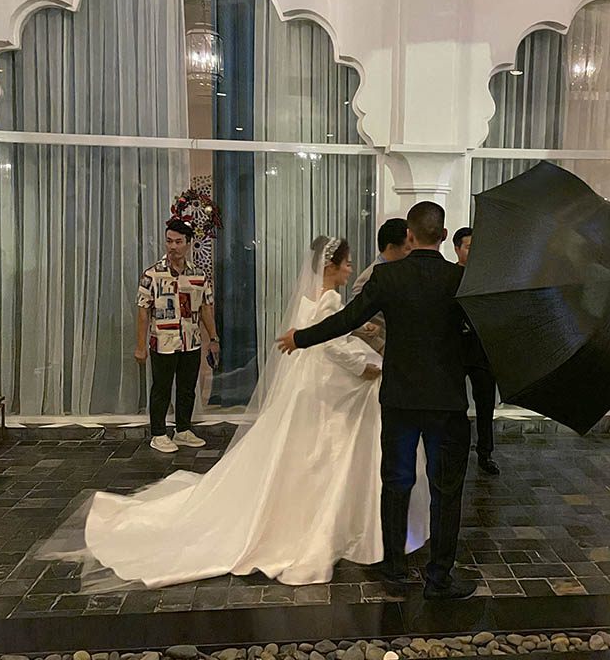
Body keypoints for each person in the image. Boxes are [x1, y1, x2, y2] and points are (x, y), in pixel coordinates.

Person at [64, 236, 429, 587]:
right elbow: (332, 345)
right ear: (331, 266)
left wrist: (357, 330)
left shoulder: (310, 296)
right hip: (325, 382)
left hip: (309, 379)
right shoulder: (331, 298)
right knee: (336, 439)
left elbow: (318, 331)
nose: (350, 269)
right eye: (347, 263)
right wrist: (366, 367)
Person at [279, 202, 476, 600]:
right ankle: (439, 578)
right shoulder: (461, 280)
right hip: (447, 400)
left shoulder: (388, 276)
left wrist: (301, 337)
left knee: (396, 483)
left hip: (400, 397)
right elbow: (477, 335)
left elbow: (347, 319)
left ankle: (395, 572)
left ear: (410, 235)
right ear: (443, 236)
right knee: (446, 490)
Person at [135, 218, 219, 453]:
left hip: (191, 341)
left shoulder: (199, 275)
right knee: (161, 388)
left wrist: (213, 338)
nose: (173, 247)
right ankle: (158, 433)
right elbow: (143, 312)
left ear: (188, 243)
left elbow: (206, 308)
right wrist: (140, 346)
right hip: (163, 340)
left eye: (178, 242)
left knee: (187, 387)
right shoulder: (152, 275)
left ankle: (183, 430)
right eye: (169, 241)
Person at [453, 227, 500, 475]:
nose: (474, 252)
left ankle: (485, 452)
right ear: (457, 248)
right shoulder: (450, 276)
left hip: (482, 351)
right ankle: (456, 448)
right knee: (455, 403)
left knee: (485, 403)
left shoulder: (485, 276)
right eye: (469, 247)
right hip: (456, 350)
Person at [351, 218, 412, 354]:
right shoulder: (369, 277)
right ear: (391, 247)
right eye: (407, 249)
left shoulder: (402, 272)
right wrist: (381, 347)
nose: (410, 254)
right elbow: (356, 321)